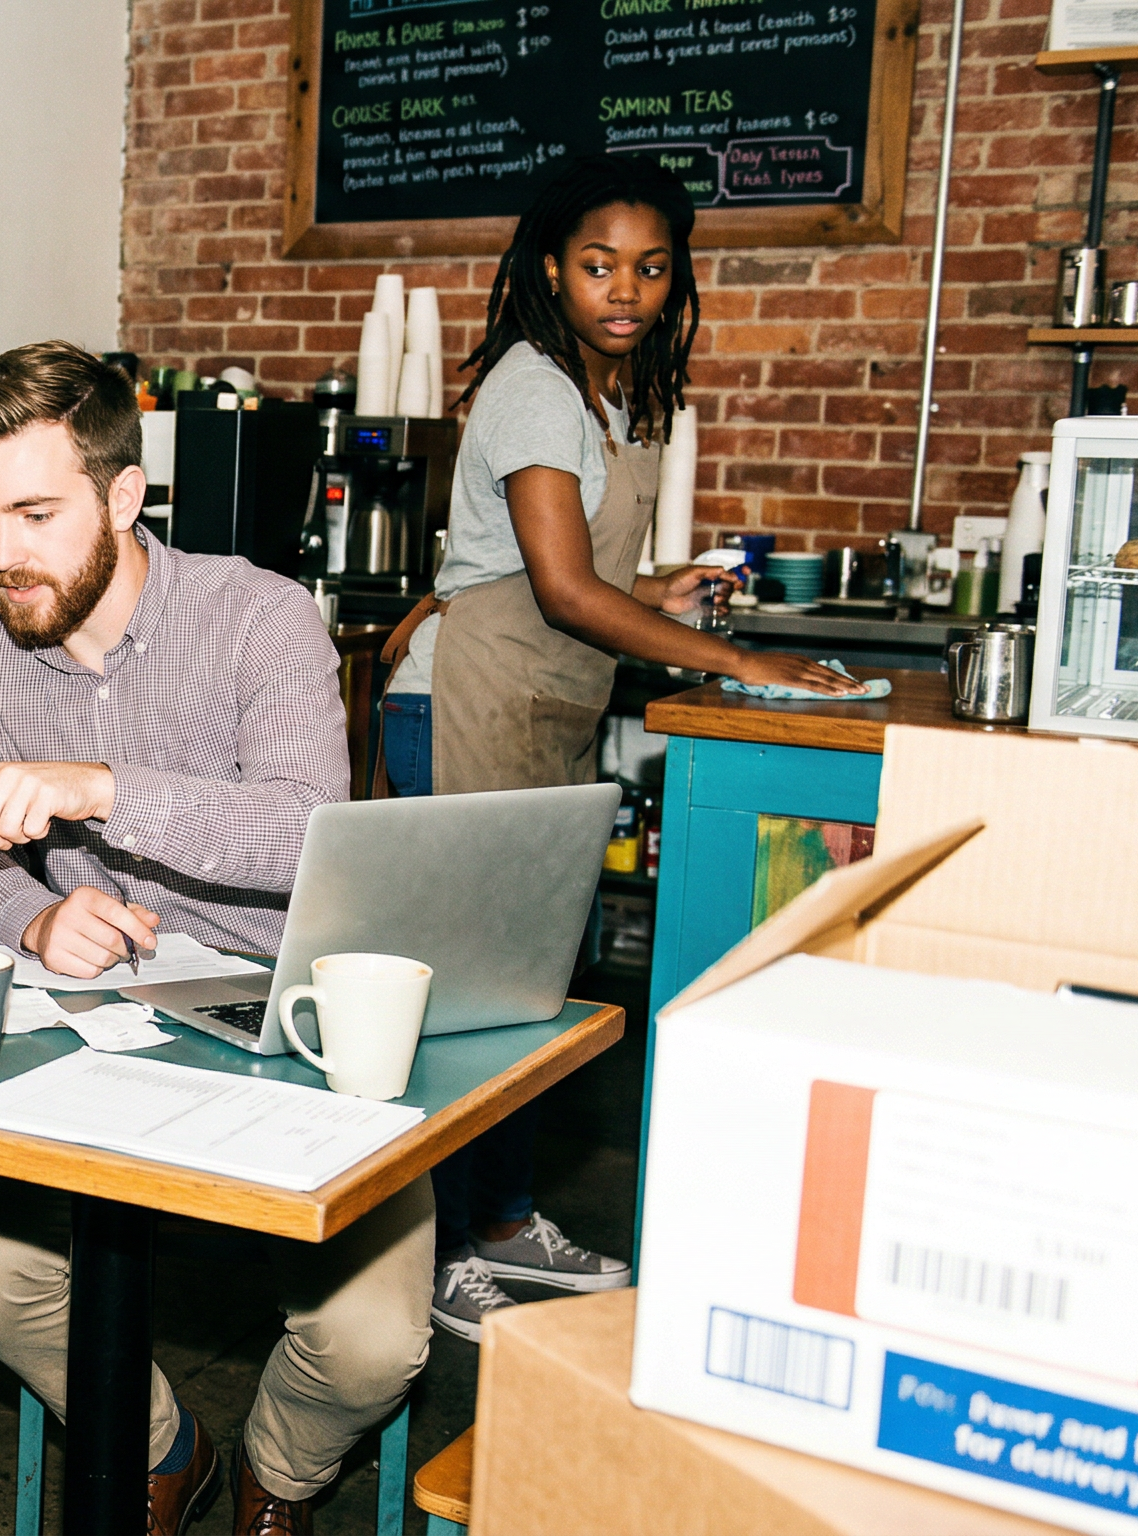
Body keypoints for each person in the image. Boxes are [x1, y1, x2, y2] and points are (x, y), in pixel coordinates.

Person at [0, 341, 433, 1536]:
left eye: (36, 515)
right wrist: (35, 915)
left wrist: (101, 789)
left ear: (122, 496)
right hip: (95, 1034)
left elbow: (306, 831)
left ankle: (279, 1472)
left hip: (288, 1013)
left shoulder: (259, 617)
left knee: (371, 1344)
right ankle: (163, 1446)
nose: (3, 555)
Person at [372, 155, 864, 1345]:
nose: (626, 290)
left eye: (650, 267)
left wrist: (660, 593)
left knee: (524, 991)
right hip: (461, 703)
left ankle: (501, 1220)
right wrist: (738, 660)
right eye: (599, 265)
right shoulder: (537, 389)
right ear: (552, 269)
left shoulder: (614, 394)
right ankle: (435, 1254)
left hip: (538, 709)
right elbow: (557, 589)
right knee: (453, 999)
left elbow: (576, 579)